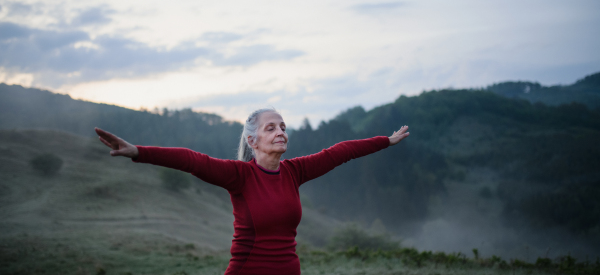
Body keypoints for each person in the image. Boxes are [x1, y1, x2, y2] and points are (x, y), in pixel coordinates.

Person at [95, 108, 409, 275]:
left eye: (283, 127)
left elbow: (341, 152)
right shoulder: (239, 177)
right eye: (271, 127)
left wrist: (385, 141)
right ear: (252, 141)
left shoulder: (294, 171)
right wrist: (138, 151)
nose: (280, 132)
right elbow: (191, 159)